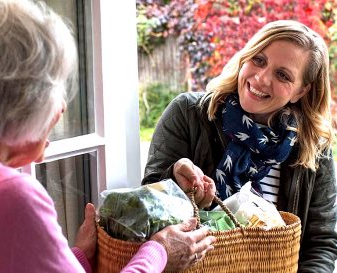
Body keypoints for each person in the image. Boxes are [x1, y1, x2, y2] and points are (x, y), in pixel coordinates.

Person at [0, 0, 215, 273]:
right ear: (19, 99)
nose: (62, 106)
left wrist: (78, 256)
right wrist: (160, 252)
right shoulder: (9, 196)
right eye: (56, 85)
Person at [142, 20, 337, 272]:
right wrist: (175, 181)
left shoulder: (314, 148)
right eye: (259, 60)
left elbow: (321, 244)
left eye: (283, 75)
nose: (261, 78)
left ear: (301, 91)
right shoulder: (188, 114)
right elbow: (147, 208)